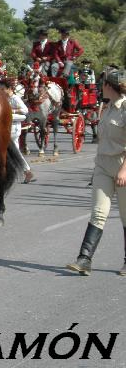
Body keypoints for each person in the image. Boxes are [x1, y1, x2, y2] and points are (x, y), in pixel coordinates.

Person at [65, 70, 126, 276]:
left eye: (103, 84)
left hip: (122, 166)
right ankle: (84, 259)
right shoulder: (107, 108)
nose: (101, 87)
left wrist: (124, 170)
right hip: (102, 166)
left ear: (110, 86)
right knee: (99, 213)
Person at [1, 79, 35, 184]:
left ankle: (24, 171)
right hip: (7, 127)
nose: (1, 90)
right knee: (12, 152)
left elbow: (25, 110)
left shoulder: (15, 98)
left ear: (9, 89)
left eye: (3, 89)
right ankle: (25, 171)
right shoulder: (4, 98)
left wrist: (12, 110)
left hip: (14, 127)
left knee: (13, 151)